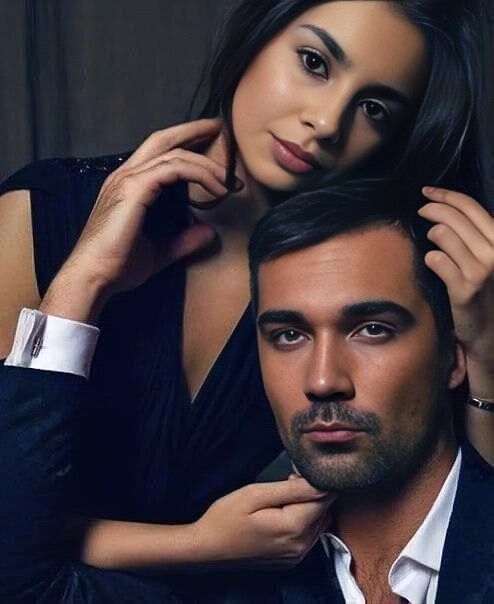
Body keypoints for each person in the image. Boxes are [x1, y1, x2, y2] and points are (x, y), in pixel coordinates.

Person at [0, 0, 492, 583]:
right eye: (314, 62)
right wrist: (82, 281)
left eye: (373, 108)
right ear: (255, 37)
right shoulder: (42, 214)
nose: (327, 122)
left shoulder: (351, 281)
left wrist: (484, 349)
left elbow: (463, 525)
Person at [228, 184, 493, 603]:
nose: (322, 381)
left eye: (372, 330)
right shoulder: (229, 581)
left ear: (455, 356)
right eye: (289, 335)